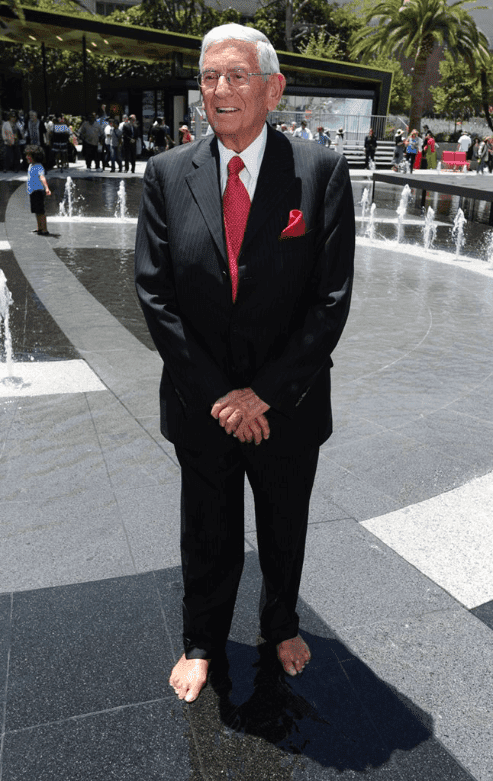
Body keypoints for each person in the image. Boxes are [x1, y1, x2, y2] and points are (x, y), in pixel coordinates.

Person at [135, 22, 355, 704]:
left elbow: (330, 300)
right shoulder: (168, 173)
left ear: (272, 87)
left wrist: (261, 393)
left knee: (284, 523)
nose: (220, 91)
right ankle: (201, 639)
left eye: (236, 76)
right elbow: (154, 290)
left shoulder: (318, 172)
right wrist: (220, 395)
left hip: (286, 404)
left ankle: (281, 624)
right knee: (206, 528)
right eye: (209, 78)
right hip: (201, 404)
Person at [25, 145, 51, 235]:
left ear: (35, 157)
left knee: (40, 211)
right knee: (36, 210)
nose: (27, 157)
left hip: (38, 191)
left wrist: (47, 188)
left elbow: (42, 177)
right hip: (32, 191)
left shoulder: (38, 166)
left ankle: (45, 229)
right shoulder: (31, 166)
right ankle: (39, 228)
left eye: (29, 155)